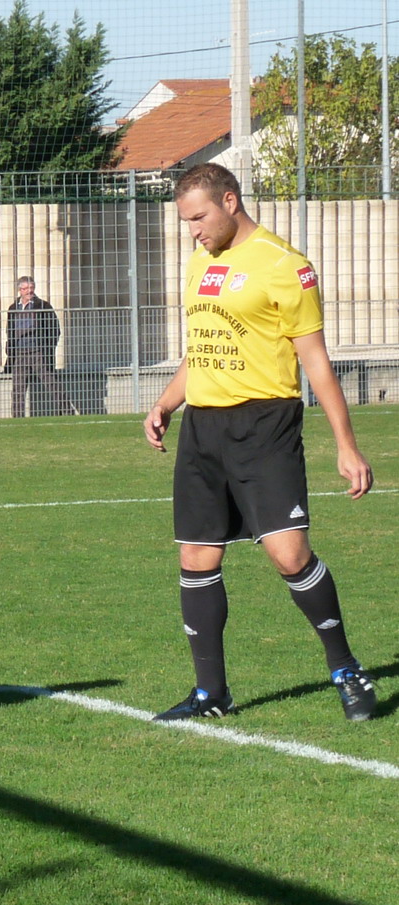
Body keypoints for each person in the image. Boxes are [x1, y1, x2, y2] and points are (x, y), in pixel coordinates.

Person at [143, 163, 376, 722]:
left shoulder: (284, 265)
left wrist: (346, 445)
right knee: (196, 556)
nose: (193, 230)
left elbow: (315, 360)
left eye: (199, 217)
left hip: (264, 424)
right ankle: (210, 692)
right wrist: (167, 401)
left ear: (230, 200)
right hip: (203, 427)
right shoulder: (201, 262)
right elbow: (202, 349)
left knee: (288, 554)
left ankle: (345, 668)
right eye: (186, 221)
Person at [5, 276, 78, 417]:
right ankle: (17, 418)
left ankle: (68, 412)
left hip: (38, 352)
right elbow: (10, 331)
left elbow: (54, 329)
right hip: (19, 353)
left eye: (31, 288)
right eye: (26, 288)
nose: (29, 291)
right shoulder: (13, 308)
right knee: (18, 389)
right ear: (20, 290)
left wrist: (48, 348)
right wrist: (11, 348)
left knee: (52, 384)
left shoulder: (43, 306)